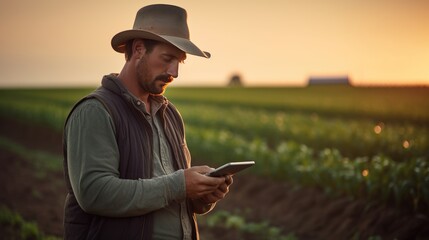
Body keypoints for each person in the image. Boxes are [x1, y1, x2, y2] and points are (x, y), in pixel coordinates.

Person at [63, 4, 233, 240]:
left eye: (180, 62)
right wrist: (179, 185)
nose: (174, 72)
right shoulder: (95, 111)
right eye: (167, 58)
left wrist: (202, 196)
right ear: (139, 49)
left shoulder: (170, 114)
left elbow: (173, 196)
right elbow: (95, 193)